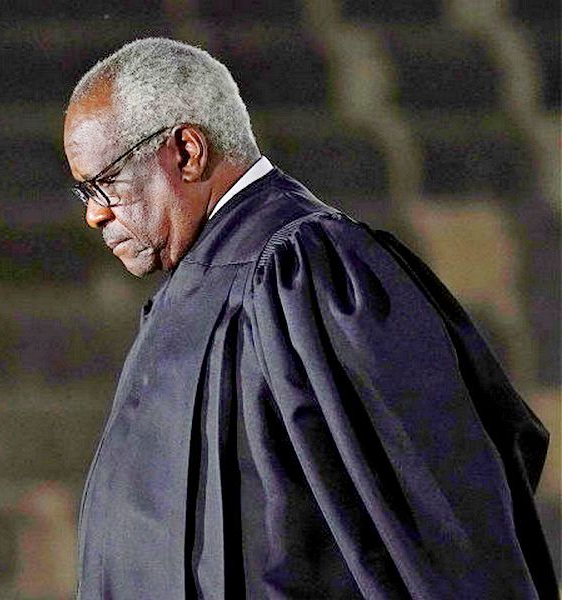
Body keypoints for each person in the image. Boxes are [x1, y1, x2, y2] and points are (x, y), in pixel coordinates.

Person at [62, 38, 557, 599]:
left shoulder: (309, 272)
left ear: (186, 151)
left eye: (104, 183)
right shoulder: (195, 289)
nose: (93, 213)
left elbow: (436, 519)